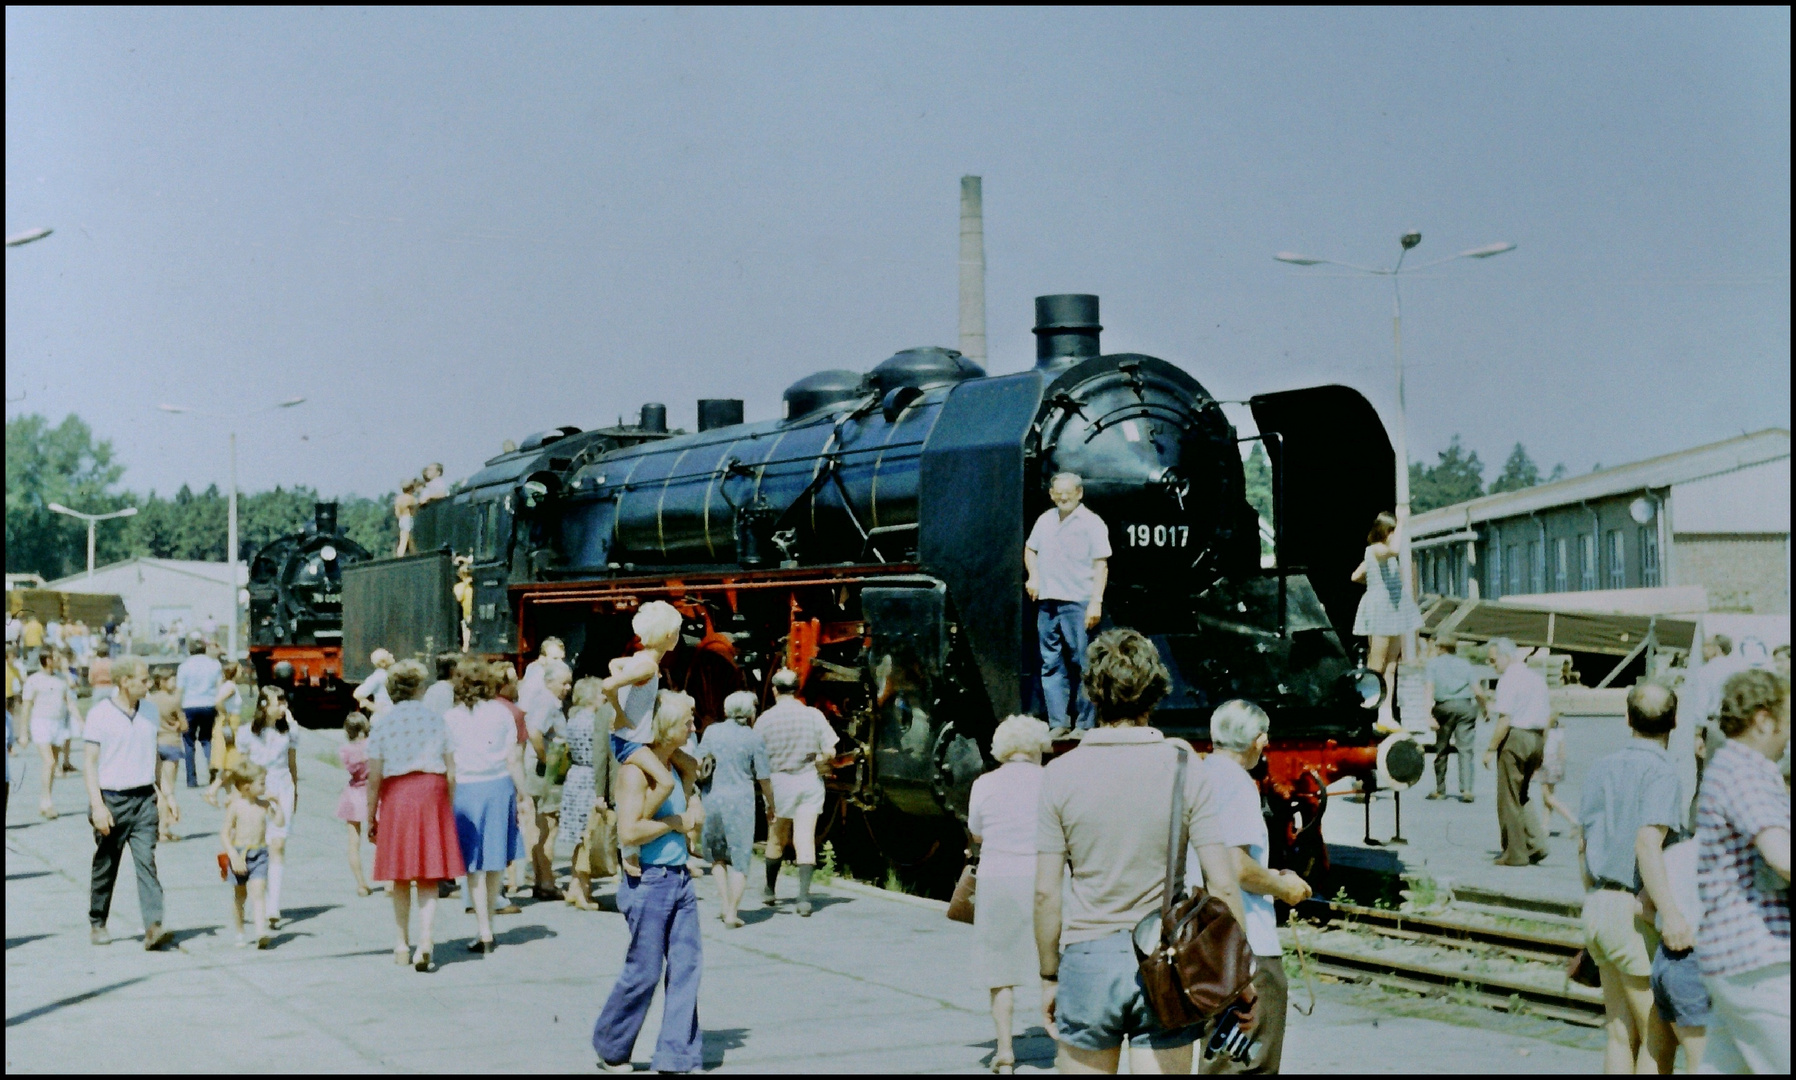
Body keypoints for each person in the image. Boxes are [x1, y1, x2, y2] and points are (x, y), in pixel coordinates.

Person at [1034, 629, 1248, 1073]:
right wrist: (1239, 976)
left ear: (1094, 693)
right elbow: (1223, 883)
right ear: (1155, 692)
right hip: (1165, 964)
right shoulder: (1186, 769)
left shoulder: (1060, 773)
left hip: (1087, 961)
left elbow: (1045, 895)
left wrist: (1049, 975)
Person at [1196, 700, 1313, 1075]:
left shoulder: (1199, 776)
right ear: (1259, 740)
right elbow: (1236, 867)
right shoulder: (1237, 783)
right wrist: (1282, 886)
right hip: (1248, 944)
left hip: (1203, 940)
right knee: (1248, 1062)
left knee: (1215, 1061)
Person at [1576, 681, 1687, 1074]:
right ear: (1674, 721)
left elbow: (1583, 843)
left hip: (1598, 904)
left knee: (1620, 1032)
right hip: (1633, 911)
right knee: (1657, 1037)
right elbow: (1647, 843)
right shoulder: (1662, 773)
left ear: (1627, 718)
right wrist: (1671, 913)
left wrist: (1596, 895)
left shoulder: (1601, 767)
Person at [593, 689, 706, 1074]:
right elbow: (629, 832)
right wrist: (675, 823)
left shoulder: (675, 764)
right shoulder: (634, 774)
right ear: (664, 729)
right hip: (650, 884)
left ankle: (676, 1056)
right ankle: (611, 1046)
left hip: (678, 879)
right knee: (644, 971)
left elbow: (689, 803)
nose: (693, 725)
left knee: (687, 966)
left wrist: (692, 804)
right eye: (686, 721)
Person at [1693, 669, 1790, 1074]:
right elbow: (1782, 856)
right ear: (1764, 720)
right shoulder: (1747, 772)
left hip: (1729, 961)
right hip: (1758, 959)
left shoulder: (1725, 766)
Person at [967, 714, 1052, 1074]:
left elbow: (976, 833)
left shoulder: (984, 783)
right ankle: (1066, 1043)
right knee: (1055, 966)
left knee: (1000, 970)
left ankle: (1004, 1050)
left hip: (998, 877)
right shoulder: (1052, 781)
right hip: (1044, 879)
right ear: (1038, 747)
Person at [366, 659, 464, 972]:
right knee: (428, 874)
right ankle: (426, 941)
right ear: (418, 689)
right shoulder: (436, 720)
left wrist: (371, 817)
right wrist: (448, 803)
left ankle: (400, 943)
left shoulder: (382, 723)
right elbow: (451, 771)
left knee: (399, 875)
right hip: (431, 792)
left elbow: (374, 778)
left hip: (397, 794)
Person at [82, 656, 173, 949]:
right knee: (107, 864)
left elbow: (155, 755)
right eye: (144, 679)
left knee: (147, 862)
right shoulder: (100, 714)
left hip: (144, 800)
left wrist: (167, 793)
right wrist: (97, 806)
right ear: (124, 681)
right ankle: (98, 921)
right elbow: (90, 763)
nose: (149, 684)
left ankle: (153, 926)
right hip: (112, 800)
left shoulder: (149, 710)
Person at [602, 602, 700, 871]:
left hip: (631, 738)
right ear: (670, 635)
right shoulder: (645, 667)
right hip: (630, 742)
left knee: (685, 769)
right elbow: (608, 684)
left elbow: (613, 665)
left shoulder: (642, 661)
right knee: (665, 782)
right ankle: (632, 840)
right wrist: (620, 713)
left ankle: (679, 837)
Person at [443, 656, 528, 953]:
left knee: (473, 866)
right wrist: (523, 793)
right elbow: (513, 758)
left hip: (466, 790)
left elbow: (449, 766)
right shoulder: (502, 714)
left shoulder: (451, 718)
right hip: (500, 787)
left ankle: (483, 931)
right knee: (495, 864)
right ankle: (489, 924)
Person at [1024, 472, 1111, 736]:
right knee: (1051, 662)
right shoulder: (1044, 520)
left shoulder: (1092, 523)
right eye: (1058, 493)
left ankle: (1084, 724)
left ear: (1079, 493)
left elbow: (1101, 564)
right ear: (1051, 495)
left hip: (1078, 602)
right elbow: (1030, 549)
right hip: (1048, 601)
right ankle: (1058, 723)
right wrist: (1034, 576)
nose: (1063, 497)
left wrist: (1096, 601)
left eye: (1068, 492)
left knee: (1084, 663)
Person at [755, 668, 837, 916]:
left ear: (775, 690)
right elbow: (831, 752)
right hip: (808, 780)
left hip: (779, 782)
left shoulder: (765, 720)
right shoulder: (813, 715)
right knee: (804, 838)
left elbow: (757, 758)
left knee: (777, 837)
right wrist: (820, 760)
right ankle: (803, 899)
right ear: (797, 689)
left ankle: (770, 890)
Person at [698, 690, 773, 929]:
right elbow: (763, 776)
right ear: (750, 712)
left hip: (712, 798)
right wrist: (771, 803)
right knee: (740, 859)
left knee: (717, 855)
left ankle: (724, 903)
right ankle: (732, 912)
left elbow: (700, 763)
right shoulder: (754, 738)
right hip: (740, 801)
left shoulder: (711, 732)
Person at [1350, 512, 1423, 732]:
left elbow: (1355, 576)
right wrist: (1401, 521)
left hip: (1394, 606)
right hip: (1382, 608)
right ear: (1385, 531)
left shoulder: (1379, 555)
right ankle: (1366, 710)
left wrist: (1373, 580)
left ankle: (1386, 714)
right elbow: (1393, 550)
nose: (1395, 535)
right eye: (1391, 531)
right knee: (1377, 665)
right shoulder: (1377, 549)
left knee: (1391, 666)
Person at [1482, 638, 1551, 867]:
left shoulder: (1508, 680)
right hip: (1537, 738)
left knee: (1508, 798)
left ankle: (1515, 853)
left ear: (1505, 656)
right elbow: (1547, 718)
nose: (1492, 665)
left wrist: (1490, 749)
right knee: (1522, 794)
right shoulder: (1536, 678)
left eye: (1493, 660)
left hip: (1516, 738)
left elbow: (1504, 719)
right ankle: (1536, 843)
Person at [1644, 832, 1709, 1073]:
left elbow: (1641, 905)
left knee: (1657, 1051)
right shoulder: (1725, 857)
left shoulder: (1672, 855)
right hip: (1696, 963)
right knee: (1702, 1060)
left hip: (1666, 958)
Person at [241, 687, 301, 926]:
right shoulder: (247, 733)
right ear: (264, 705)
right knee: (257, 847)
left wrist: (295, 793)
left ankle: (273, 906)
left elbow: (292, 764)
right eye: (279, 702)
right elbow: (242, 767)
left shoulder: (290, 731)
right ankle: (259, 900)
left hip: (282, 787)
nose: (283, 707)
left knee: (278, 844)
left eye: (285, 702)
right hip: (257, 789)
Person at [561, 677, 618, 910]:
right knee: (588, 835)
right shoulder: (594, 721)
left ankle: (575, 886)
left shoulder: (574, 718)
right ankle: (584, 891)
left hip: (575, 777)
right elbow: (600, 755)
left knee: (580, 838)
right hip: (588, 779)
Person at [523, 657, 574, 900]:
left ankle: (540, 877)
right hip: (547, 770)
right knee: (549, 827)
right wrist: (547, 760)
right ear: (549, 681)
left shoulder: (545, 701)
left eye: (569, 683)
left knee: (540, 826)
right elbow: (535, 732)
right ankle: (546, 881)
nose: (568, 688)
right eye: (564, 683)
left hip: (541, 767)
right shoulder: (548, 703)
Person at [221, 762, 283, 948]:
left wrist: (278, 804)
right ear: (247, 787)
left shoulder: (264, 805)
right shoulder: (236, 806)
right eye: (262, 783)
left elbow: (279, 822)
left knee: (258, 892)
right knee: (240, 896)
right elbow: (224, 833)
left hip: (260, 853)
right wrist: (232, 854)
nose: (265, 787)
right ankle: (240, 931)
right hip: (240, 854)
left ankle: (260, 931)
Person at [20, 650, 80, 818]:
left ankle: (45, 799)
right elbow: (26, 706)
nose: (60, 660)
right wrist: (23, 733)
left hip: (57, 723)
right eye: (56, 658)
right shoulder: (34, 680)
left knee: (53, 763)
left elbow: (69, 702)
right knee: (49, 761)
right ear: (47, 660)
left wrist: (81, 721)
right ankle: (46, 802)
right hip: (41, 723)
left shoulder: (61, 679)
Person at [1690, 635, 1750, 799]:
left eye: (1707, 646)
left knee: (1707, 775)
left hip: (1714, 725)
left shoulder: (1706, 671)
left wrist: (1697, 734)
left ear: (1717, 648)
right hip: (1738, 726)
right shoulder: (1740, 669)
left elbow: (1701, 705)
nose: (1704, 650)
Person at [1423, 632, 1479, 802]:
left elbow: (1429, 690)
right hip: (1465, 707)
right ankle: (1467, 790)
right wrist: (1485, 709)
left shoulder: (1432, 665)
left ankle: (1440, 790)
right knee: (1466, 749)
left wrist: (1427, 715)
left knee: (1442, 748)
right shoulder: (1466, 664)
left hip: (1444, 707)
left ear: (1440, 647)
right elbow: (1478, 690)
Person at [175, 637, 223, 788]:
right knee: (207, 739)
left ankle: (191, 779)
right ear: (205, 649)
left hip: (189, 705)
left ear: (190, 650)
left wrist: (177, 711)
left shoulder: (184, 666)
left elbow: (179, 691)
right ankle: (212, 771)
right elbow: (219, 686)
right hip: (209, 704)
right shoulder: (214, 664)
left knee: (189, 743)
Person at [338, 713, 374, 897]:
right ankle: (391, 883)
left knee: (354, 843)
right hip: (373, 793)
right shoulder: (372, 746)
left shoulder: (345, 750)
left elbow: (351, 769)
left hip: (353, 794)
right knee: (382, 841)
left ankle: (361, 884)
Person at [149, 672, 187, 842]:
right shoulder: (174, 701)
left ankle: (157, 826)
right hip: (171, 743)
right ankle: (163, 829)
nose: (175, 682)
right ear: (162, 681)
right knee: (168, 789)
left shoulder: (150, 700)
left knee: (158, 789)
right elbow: (185, 725)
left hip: (155, 744)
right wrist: (179, 724)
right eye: (172, 679)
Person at [205, 664, 247, 807]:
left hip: (230, 723)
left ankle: (230, 796)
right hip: (229, 723)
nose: (243, 672)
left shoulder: (227, 685)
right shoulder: (230, 687)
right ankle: (212, 790)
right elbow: (218, 701)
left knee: (229, 762)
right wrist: (225, 713)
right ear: (235, 672)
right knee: (233, 763)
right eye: (240, 670)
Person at [1539, 713, 1579, 838]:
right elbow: (1562, 751)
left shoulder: (1545, 732)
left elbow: (1540, 747)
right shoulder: (1559, 731)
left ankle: (1573, 820)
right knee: (1548, 797)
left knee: (1548, 797)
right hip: (1556, 763)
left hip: (1546, 762)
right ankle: (1545, 827)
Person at [354, 648, 395, 717]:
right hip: (383, 718)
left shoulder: (389, 673)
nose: (392, 655)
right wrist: (370, 705)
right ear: (383, 663)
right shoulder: (379, 676)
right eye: (388, 655)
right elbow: (358, 694)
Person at [394, 480, 420, 557]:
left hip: (401, 519)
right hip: (408, 518)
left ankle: (414, 552)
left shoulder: (398, 498)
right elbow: (416, 507)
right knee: (405, 538)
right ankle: (400, 555)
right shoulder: (410, 498)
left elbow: (397, 512)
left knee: (410, 538)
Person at [454, 564, 474, 650]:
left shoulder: (475, 585)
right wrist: (465, 584)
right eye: (465, 574)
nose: (468, 576)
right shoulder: (459, 586)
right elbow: (459, 597)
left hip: (476, 614)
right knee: (467, 642)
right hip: (467, 617)